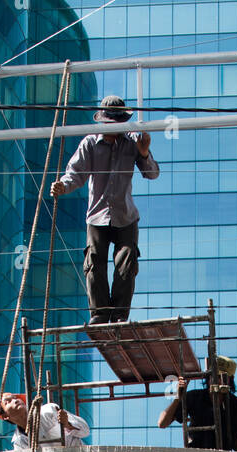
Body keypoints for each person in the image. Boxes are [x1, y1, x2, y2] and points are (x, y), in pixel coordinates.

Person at [51, 93, 160, 324]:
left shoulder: (132, 142)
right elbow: (75, 174)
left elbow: (152, 173)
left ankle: (119, 313)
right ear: (102, 121)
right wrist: (63, 186)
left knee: (127, 260)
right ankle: (100, 312)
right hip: (97, 215)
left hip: (125, 216)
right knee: (93, 259)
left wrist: (143, 153)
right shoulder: (90, 143)